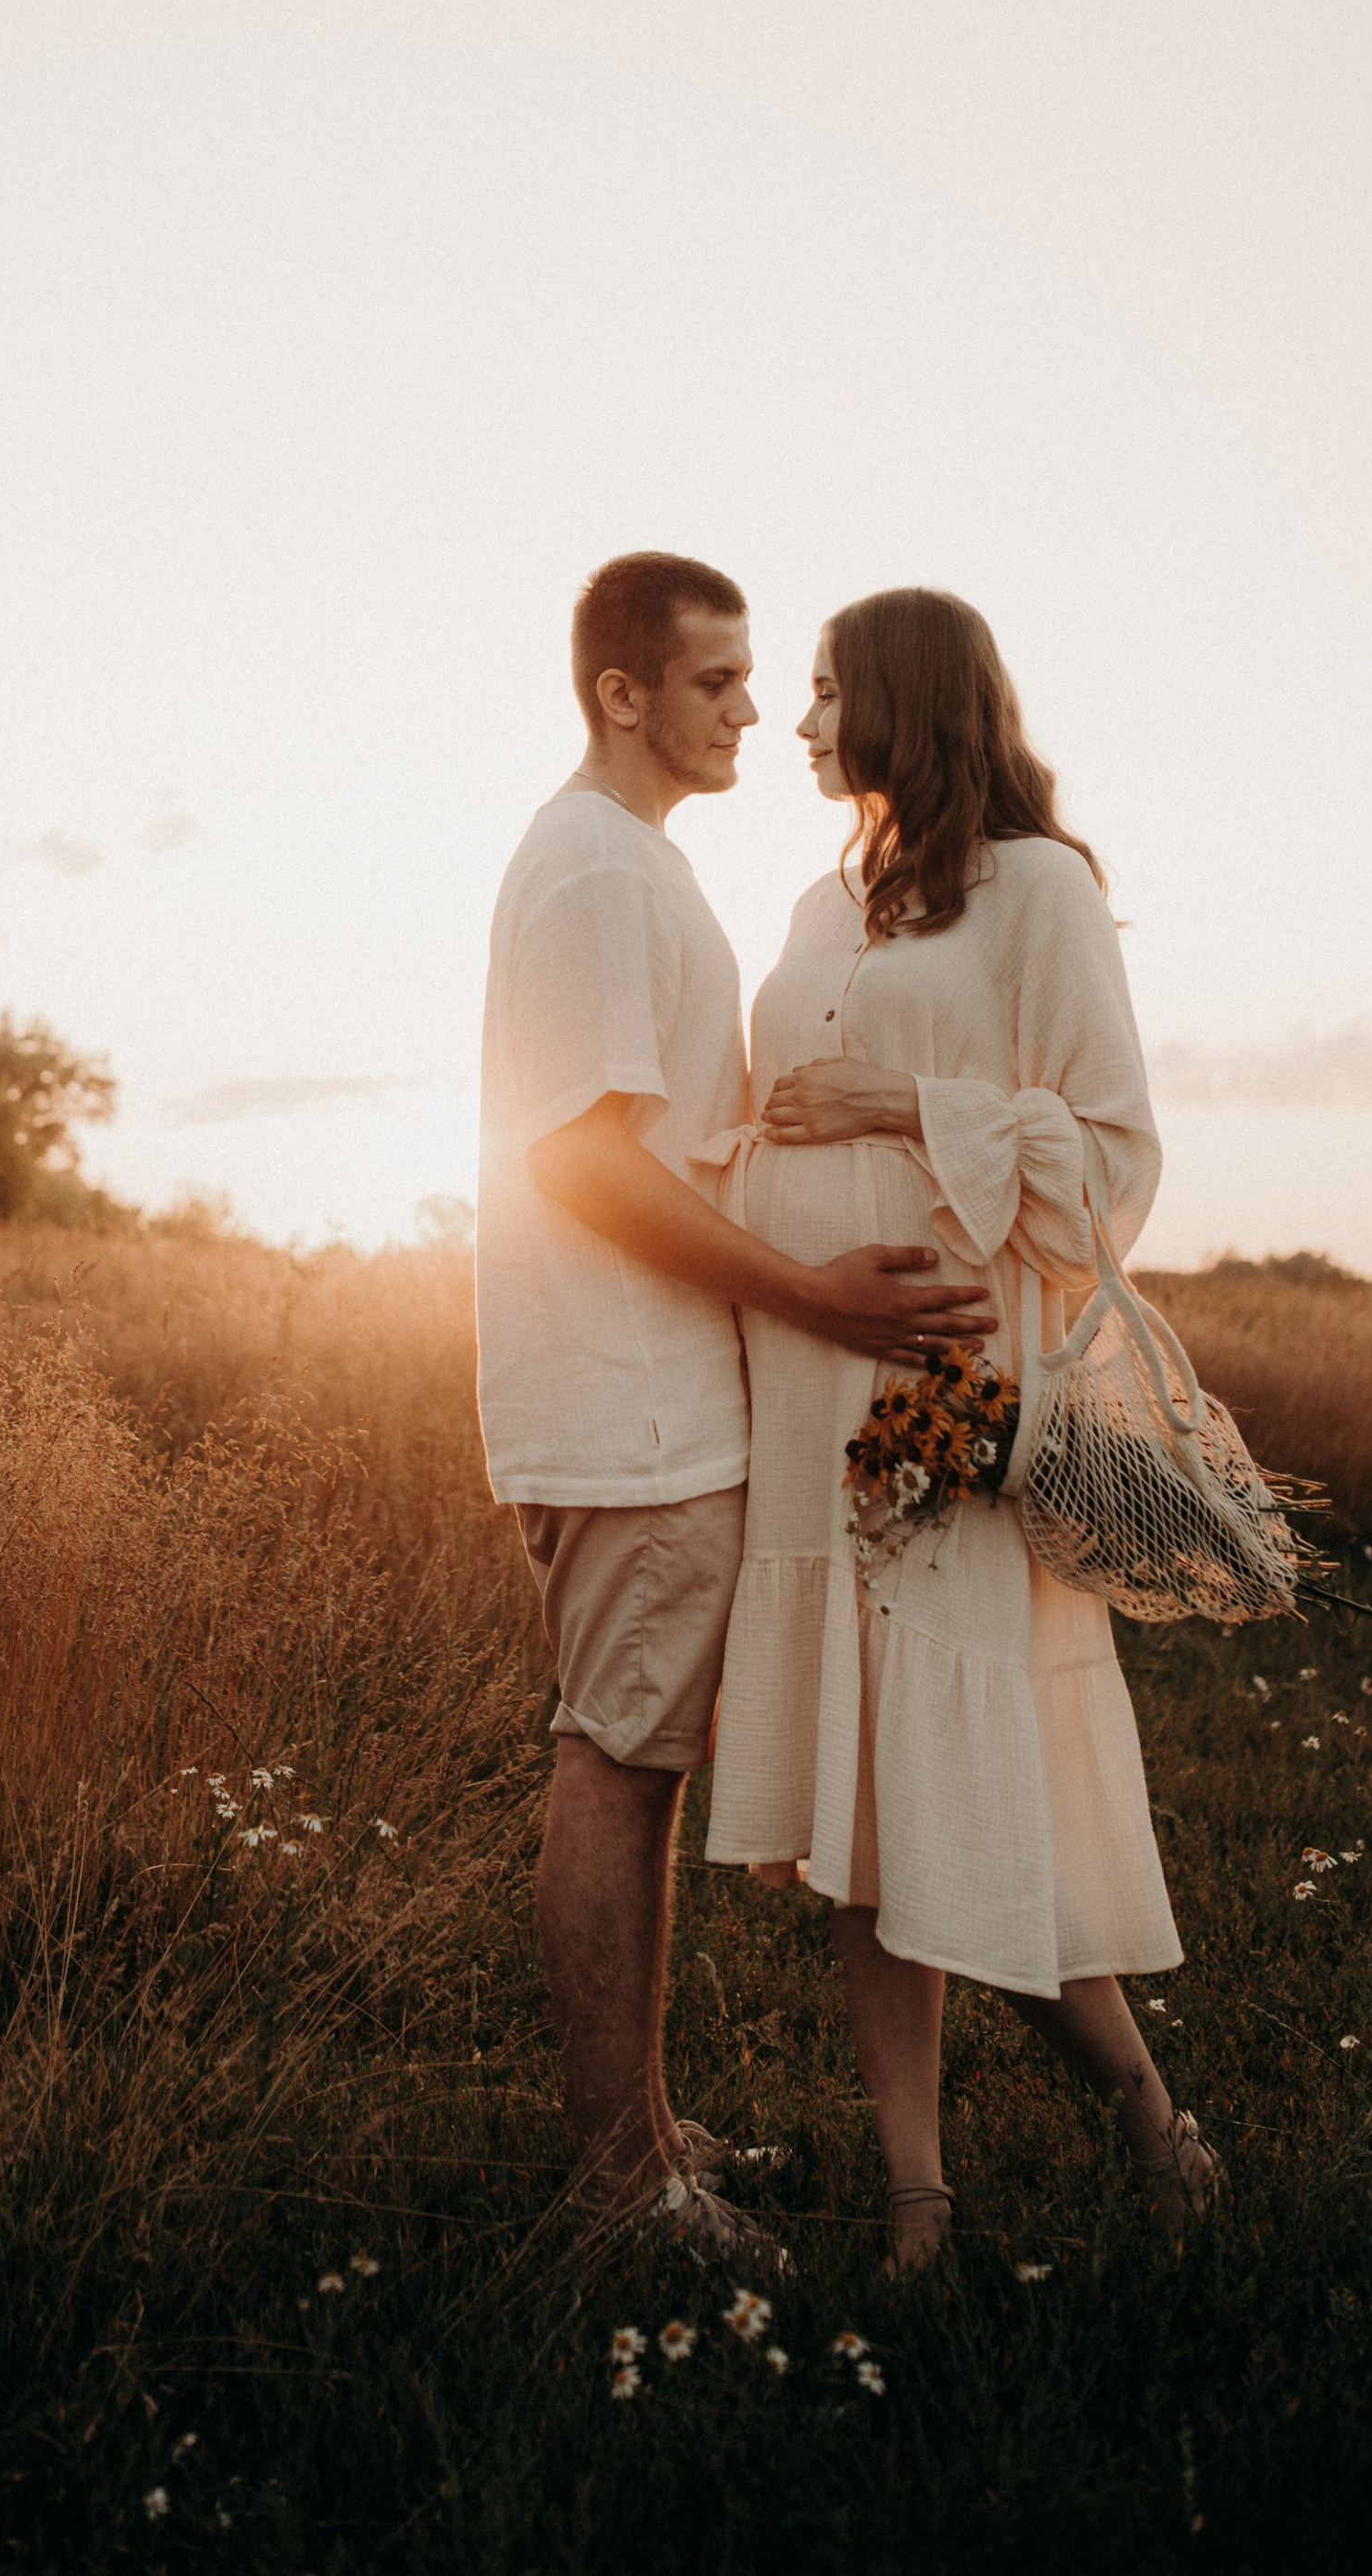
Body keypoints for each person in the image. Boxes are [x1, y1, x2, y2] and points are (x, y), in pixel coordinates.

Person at [474, 553, 995, 2256]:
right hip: (628, 1393)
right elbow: (581, 1161)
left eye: (757, 681)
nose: (754, 711)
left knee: (644, 1753)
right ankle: (622, 2190)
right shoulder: (600, 875)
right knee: (618, 1764)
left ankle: (644, 2126)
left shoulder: (635, 869)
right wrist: (813, 1294)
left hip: (667, 1391)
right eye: (715, 683)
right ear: (624, 693)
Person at [703, 585, 1221, 2269]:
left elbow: (1113, 1171)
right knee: (865, 1825)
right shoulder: (812, 900)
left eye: (828, 692)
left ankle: (1152, 2123)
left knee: (973, 1794)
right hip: (809, 1386)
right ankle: (917, 2207)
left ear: (907, 702)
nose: (796, 723)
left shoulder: (1040, 892)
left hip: (952, 1393)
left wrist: (905, 1104)